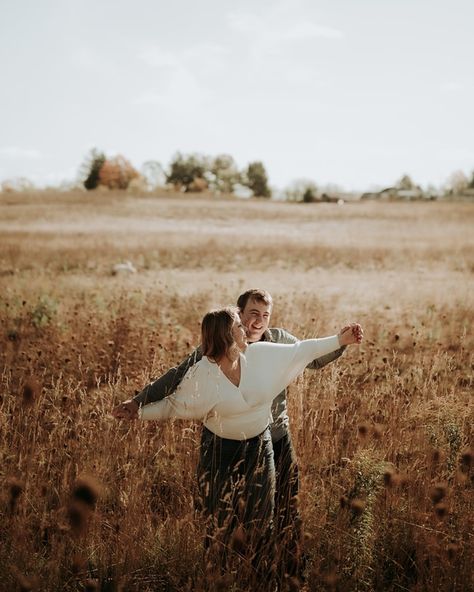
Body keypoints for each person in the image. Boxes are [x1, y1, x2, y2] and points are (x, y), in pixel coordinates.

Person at [113, 289, 353, 582]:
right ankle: (220, 573)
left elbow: (309, 353)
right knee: (221, 513)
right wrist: (138, 404)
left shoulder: (275, 342)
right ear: (238, 317)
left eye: (265, 316)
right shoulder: (206, 361)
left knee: (280, 507)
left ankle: (280, 572)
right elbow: (175, 388)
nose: (257, 322)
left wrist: (342, 341)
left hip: (271, 437)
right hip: (222, 442)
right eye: (251, 315)